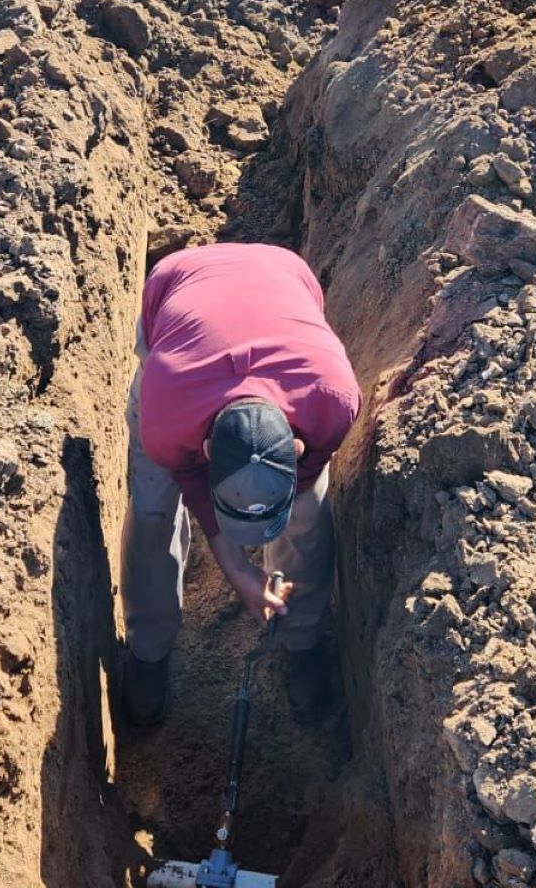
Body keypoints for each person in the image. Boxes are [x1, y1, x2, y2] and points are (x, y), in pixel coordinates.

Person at [121, 242, 361, 725]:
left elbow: (302, 486)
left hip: (282, 276)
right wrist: (239, 572)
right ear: (205, 452)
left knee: (309, 514)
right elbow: (188, 486)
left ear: (296, 448)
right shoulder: (164, 412)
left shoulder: (333, 401)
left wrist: (261, 571)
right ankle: (148, 652)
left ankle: (302, 641)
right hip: (178, 290)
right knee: (151, 512)